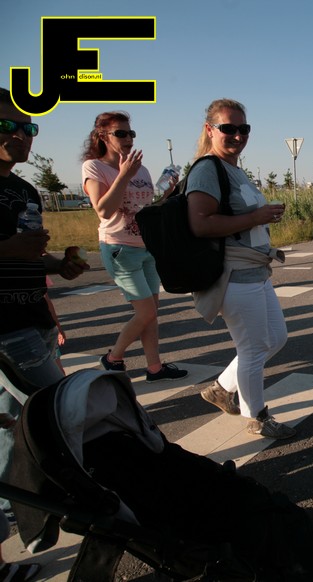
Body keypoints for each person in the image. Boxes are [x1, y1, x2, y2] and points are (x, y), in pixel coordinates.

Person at [0, 87, 85, 577]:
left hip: (32, 317)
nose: (20, 135)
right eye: (6, 126)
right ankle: (69, 501)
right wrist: (9, 250)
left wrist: (58, 265)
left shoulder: (27, 191)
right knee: (61, 411)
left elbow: (29, 254)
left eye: (28, 128)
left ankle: (16, 506)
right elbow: (12, 250)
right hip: (5, 328)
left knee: (12, 424)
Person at [187, 98, 295, 440]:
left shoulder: (233, 168)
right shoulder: (207, 169)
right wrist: (256, 217)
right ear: (210, 130)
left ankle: (221, 388)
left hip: (255, 272)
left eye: (243, 128)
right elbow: (200, 224)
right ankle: (257, 417)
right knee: (253, 349)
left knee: (275, 338)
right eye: (228, 128)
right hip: (234, 275)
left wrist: (260, 217)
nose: (237, 135)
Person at [81, 111, 188, 383]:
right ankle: (113, 357)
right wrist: (123, 175)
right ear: (102, 136)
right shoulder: (94, 167)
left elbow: (146, 209)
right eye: (121, 133)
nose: (128, 138)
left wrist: (167, 193)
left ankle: (155, 367)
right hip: (119, 248)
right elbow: (103, 210)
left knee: (151, 314)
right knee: (146, 312)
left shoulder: (142, 169)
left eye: (131, 133)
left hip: (146, 247)